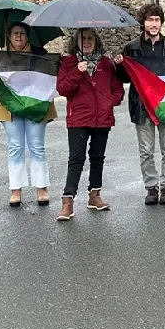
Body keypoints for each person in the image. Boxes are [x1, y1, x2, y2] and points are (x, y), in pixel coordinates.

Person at [115, 3, 165, 205]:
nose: (153, 24)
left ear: (161, 23)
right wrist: (119, 66)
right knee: (146, 150)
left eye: (157, 20)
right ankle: (151, 187)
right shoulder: (131, 48)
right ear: (143, 22)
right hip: (142, 105)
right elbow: (125, 78)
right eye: (150, 20)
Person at [55, 29, 123, 220]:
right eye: (83, 38)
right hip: (79, 117)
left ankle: (95, 195)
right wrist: (77, 71)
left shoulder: (106, 63)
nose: (87, 42)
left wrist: (110, 100)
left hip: (102, 117)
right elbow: (63, 89)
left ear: (96, 41)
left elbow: (117, 88)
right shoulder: (69, 62)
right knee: (76, 159)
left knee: (97, 157)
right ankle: (68, 201)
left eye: (90, 39)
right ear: (77, 41)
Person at [0, 22, 56, 208]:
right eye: (15, 33)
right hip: (10, 106)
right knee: (15, 147)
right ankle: (16, 189)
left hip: (36, 105)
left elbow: (50, 76)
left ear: (28, 36)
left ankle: (41, 188)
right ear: (9, 36)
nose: (18, 36)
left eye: (22, 33)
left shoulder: (41, 55)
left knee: (37, 146)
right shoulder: (0, 58)